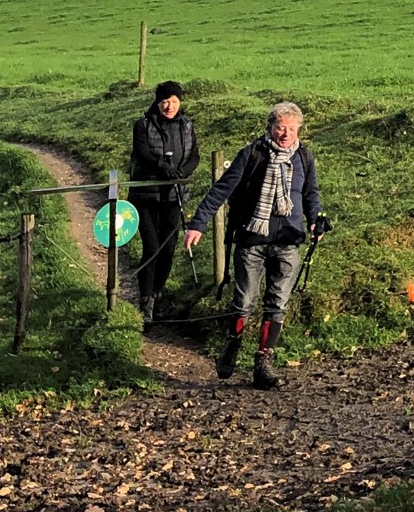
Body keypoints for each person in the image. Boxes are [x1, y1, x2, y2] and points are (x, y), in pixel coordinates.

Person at [182, 102, 323, 390]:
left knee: (277, 304)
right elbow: (222, 189)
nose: (286, 134)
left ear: (299, 130)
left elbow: (311, 193)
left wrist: (314, 220)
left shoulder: (304, 158)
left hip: (288, 241)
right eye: (281, 127)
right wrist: (198, 223)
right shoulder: (252, 155)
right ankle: (233, 344)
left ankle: (263, 362)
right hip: (251, 241)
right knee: (244, 301)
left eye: (292, 129)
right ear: (270, 127)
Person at [130, 80, 199, 322]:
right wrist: (162, 167)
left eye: (174, 101)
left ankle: (158, 294)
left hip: (173, 196)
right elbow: (143, 153)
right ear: (158, 102)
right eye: (165, 101)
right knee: (152, 247)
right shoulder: (144, 125)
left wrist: (183, 173)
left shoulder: (187, 126)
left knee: (168, 250)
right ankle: (145, 300)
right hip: (146, 196)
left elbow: (194, 156)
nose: (169, 106)